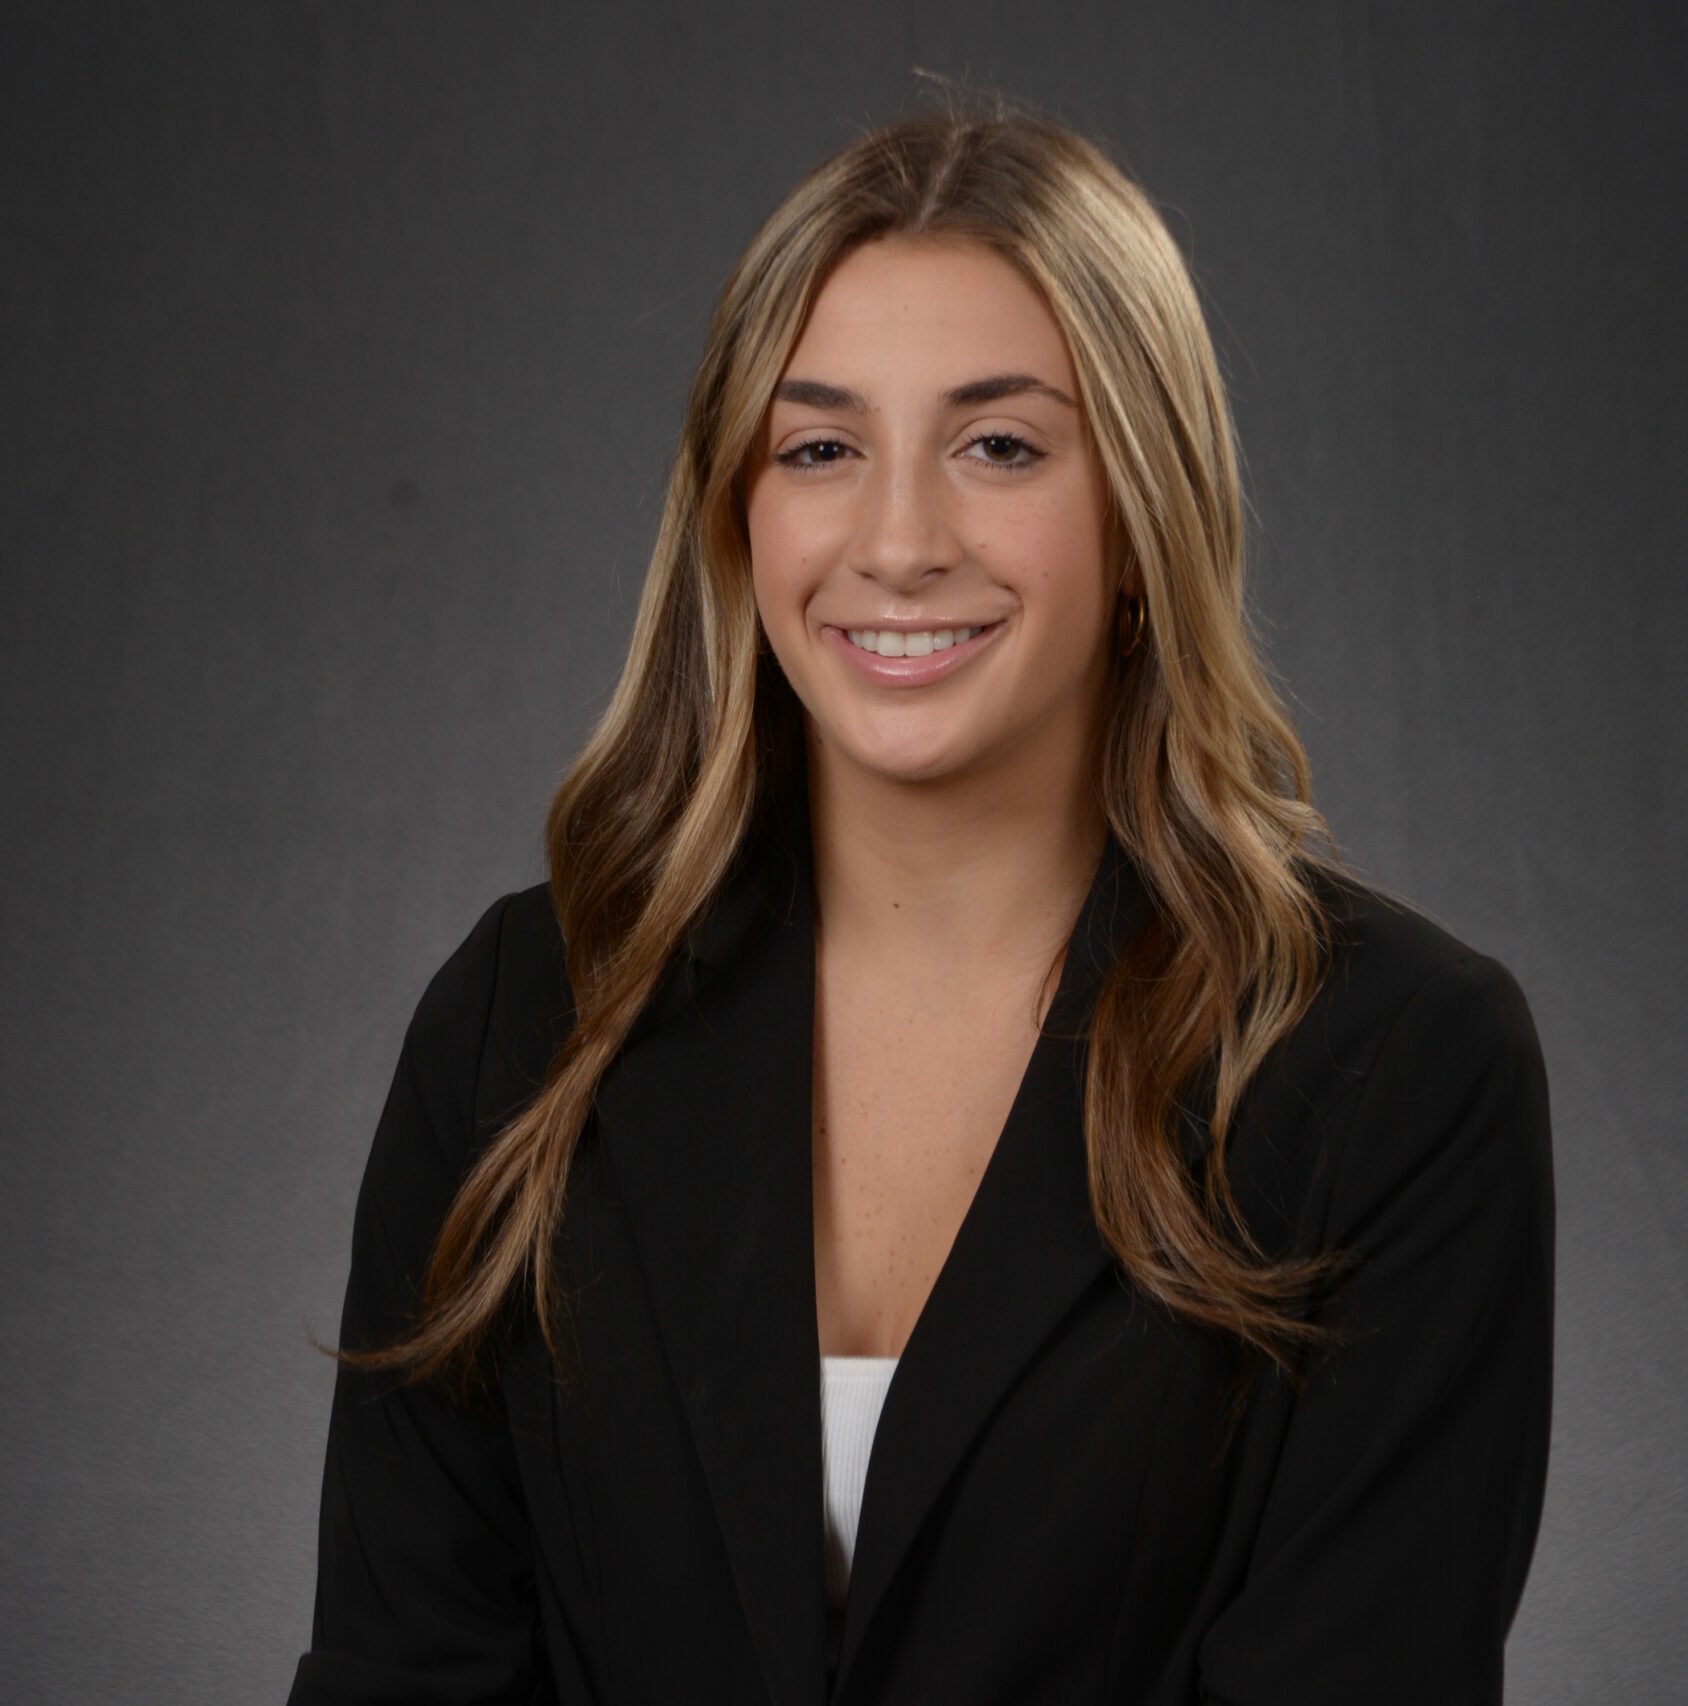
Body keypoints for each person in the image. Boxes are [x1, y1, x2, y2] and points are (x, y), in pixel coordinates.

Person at [287, 97, 1554, 1706]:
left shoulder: (1399, 1072)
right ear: (739, 521)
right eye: (819, 447)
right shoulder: (522, 1023)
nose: (895, 541)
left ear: (1143, 522)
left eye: (999, 445)